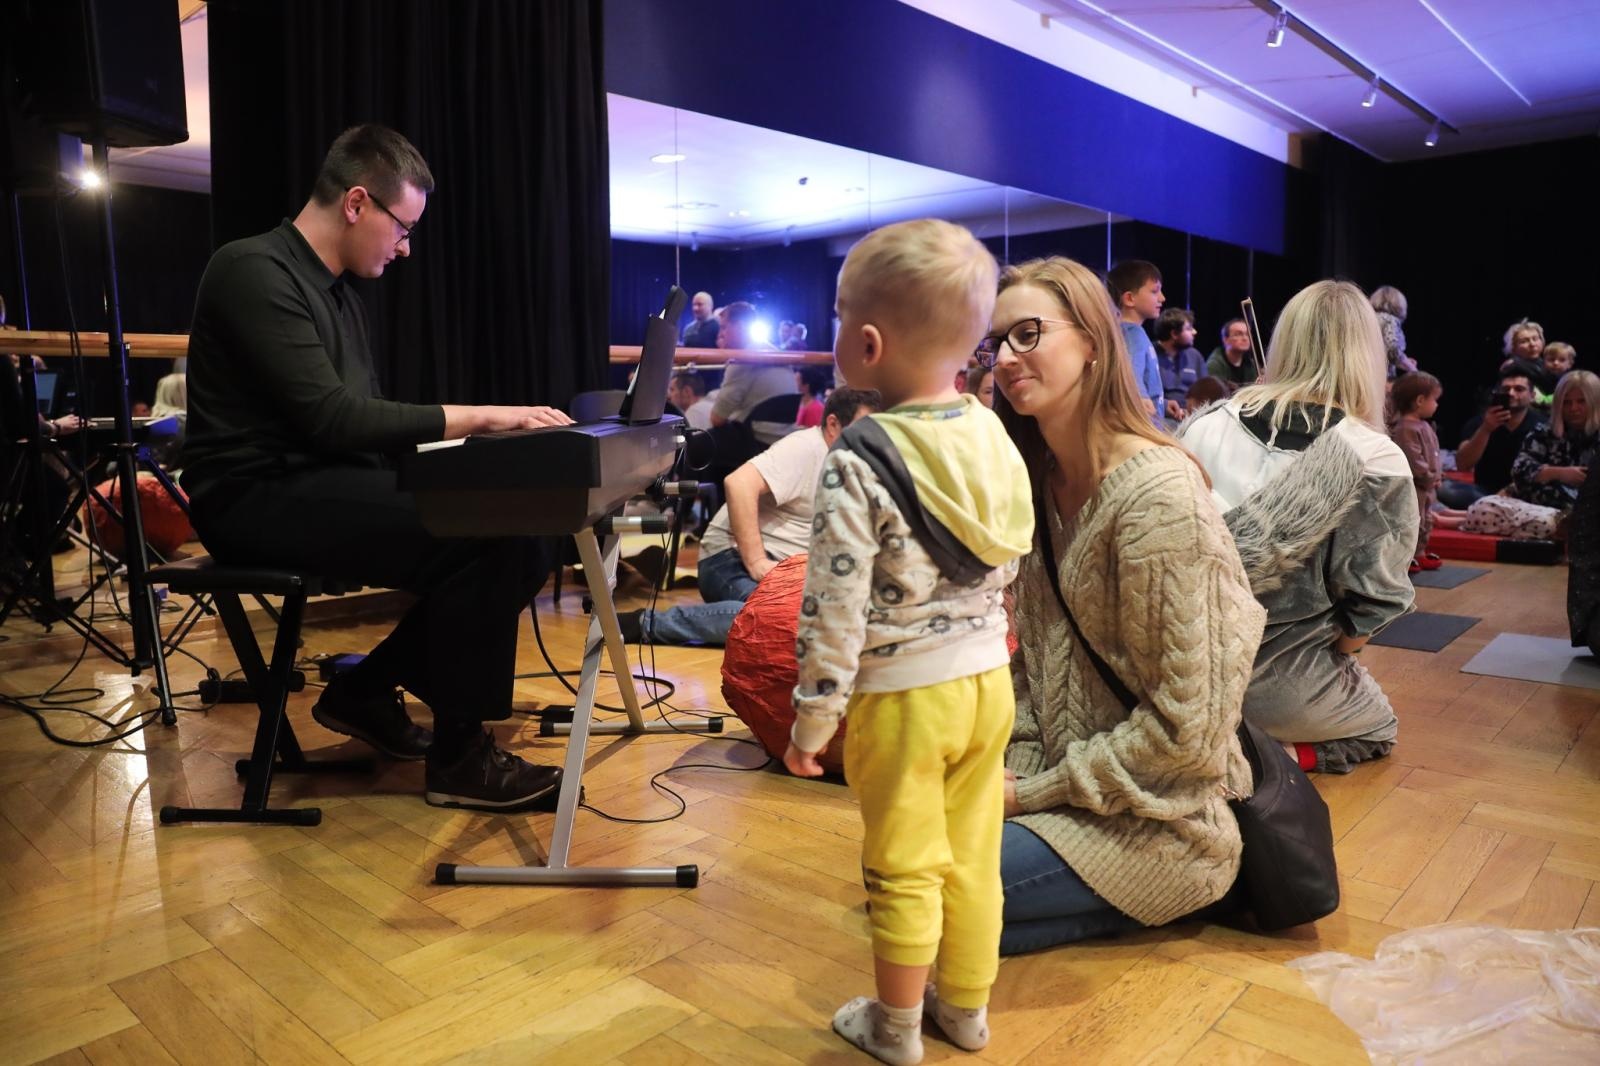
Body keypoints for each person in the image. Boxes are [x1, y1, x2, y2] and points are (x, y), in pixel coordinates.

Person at [182, 124, 575, 813]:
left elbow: (356, 425)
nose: (406, 245)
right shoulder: (251, 270)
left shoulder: (338, 295)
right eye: (402, 226)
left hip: (314, 482)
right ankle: (459, 761)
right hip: (253, 498)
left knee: (522, 523)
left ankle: (365, 690)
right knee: (493, 533)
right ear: (358, 203)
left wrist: (466, 469)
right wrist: (483, 417)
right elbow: (333, 420)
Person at [784, 219, 1033, 1065]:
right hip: (987, 684)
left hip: (904, 696)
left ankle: (894, 1029)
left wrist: (813, 719)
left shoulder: (859, 455)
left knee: (903, 862)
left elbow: (834, 607)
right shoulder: (994, 433)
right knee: (973, 858)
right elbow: (1015, 558)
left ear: (865, 341)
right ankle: (963, 1013)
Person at [989, 255, 1261, 954]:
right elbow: (1037, 666)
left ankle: (1165, 893)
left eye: (1027, 333)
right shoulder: (1040, 484)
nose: (1006, 359)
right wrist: (1010, 767)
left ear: (1091, 340)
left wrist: (1027, 795)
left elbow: (1191, 733)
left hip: (1164, 820)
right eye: (996, 344)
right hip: (1072, 791)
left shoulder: (1158, 497)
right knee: (899, 862)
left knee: (923, 890)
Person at [1179, 280, 1416, 775]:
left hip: (1173, 672)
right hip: (1273, 694)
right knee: (1379, 725)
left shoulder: (1203, 424)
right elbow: (1375, 601)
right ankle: (1276, 761)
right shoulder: (1375, 457)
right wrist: (1343, 654)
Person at [618, 386, 878, 647]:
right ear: (833, 424)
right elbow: (739, 483)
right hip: (729, 561)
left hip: (791, 574)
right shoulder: (807, 448)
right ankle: (644, 624)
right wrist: (756, 562)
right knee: (786, 619)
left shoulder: (856, 461)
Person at [1390, 372, 1463, 574]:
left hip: (1427, 485)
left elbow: (1433, 453)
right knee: (1412, 519)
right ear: (1420, 401)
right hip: (1415, 486)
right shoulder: (1405, 429)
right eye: (1434, 400)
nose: (1436, 405)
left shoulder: (1423, 426)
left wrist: (1438, 475)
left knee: (1426, 518)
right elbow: (1414, 459)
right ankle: (1406, 556)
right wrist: (1429, 476)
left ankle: (1420, 552)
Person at [1445, 367, 1546, 506]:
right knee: (1446, 490)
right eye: (1505, 389)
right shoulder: (1479, 422)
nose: (1511, 393)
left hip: (1526, 494)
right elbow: (1463, 464)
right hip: (1485, 493)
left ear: (1532, 395)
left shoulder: (1543, 425)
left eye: (1519, 389)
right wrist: (1486, 429)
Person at [1509, 369, 1599, 510]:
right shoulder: (1544, 432)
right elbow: (1519, 469)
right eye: (1567, 402)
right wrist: (1559, 473)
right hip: (1542, 507)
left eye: (1581, 401)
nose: (1574, 408)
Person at [1104, 260, 1164, 422]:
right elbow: (1130, 372)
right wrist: (1141, 397)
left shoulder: (1132, 332)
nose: (1162, 298)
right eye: (1155, 291)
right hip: (1144, 423)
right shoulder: (1132, 333)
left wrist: (1163, 403)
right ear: (1129, 298)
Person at [1152, 307, 1207, 423]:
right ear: (1174, 334)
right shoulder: (1150, 353)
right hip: (1162, 417)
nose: (1194, 332)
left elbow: (1204, 391)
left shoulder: (1195, 356)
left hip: (1192, 417)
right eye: (1188, 328)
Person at [1369, 285, 1416, 380]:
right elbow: (1393, 350)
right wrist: (1413, 370)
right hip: (1381, 379)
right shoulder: (1390, 320)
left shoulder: (1369, 318)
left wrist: (1404, 361)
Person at [1207, 318, 1260, 391]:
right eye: (1238, 334)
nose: (1245, 338)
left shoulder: (1250, 363)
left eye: (1247, 334)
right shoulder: (1214, 364)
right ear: (1225, 339)